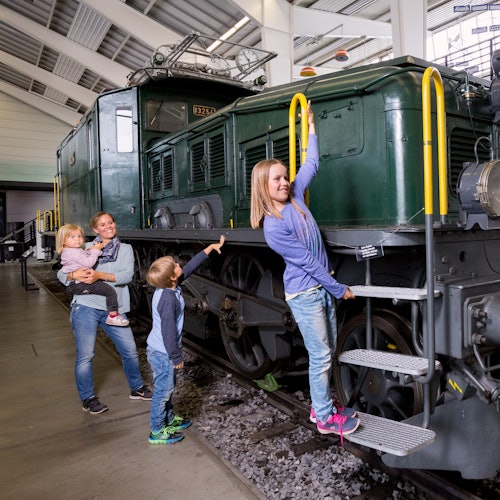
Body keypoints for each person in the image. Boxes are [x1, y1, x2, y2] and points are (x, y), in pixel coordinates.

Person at [250, 101, 360, 441]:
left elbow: (311, 161)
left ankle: (320, 406)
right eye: (277, 180)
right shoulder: (273, 226)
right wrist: (338, 288)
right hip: (306, 294)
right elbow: (309, 264)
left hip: (320, 290)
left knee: (328, 352)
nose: (285, 182)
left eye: (285, 176)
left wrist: (310, 125)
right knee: (321, 355)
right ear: (263, 188)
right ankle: (324, 418)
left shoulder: (296, 196)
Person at [57, 212, 152, 415]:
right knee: (86, 356)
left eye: (110, 222)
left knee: (130, 351)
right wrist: (73, 274)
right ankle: (88, 399)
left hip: (114, 309)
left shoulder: (126, 249)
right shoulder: (83, 246)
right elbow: (61, 272)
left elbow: (127, 276)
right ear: (95, 230)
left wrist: (99, 275)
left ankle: (137, 388)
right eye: (103, 224)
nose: (108, 226)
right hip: (85, 306)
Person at [145, 235, 225, 445]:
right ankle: (156, 431)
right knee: (163, 391)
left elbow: (190, 268)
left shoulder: (170, 286)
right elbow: (168, 330)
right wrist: (175, 356)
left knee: (168, 386)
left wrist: (209, 249)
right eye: (175, 267)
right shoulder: (168, 300)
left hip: (162, 350)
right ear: (172, 277)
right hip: (163, 351)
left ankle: (169, 420)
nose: (179, 266)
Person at [56, 223, 129, 327]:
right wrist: (95, 251)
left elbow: (83, 257)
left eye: (80, 236)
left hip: (76, 284)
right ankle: (113, 316)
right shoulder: (73, 252)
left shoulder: (72, 250)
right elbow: (88, 263)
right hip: (81, 284)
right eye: (73, 237)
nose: (78, 239)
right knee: (110, 291)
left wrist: (92, 251)